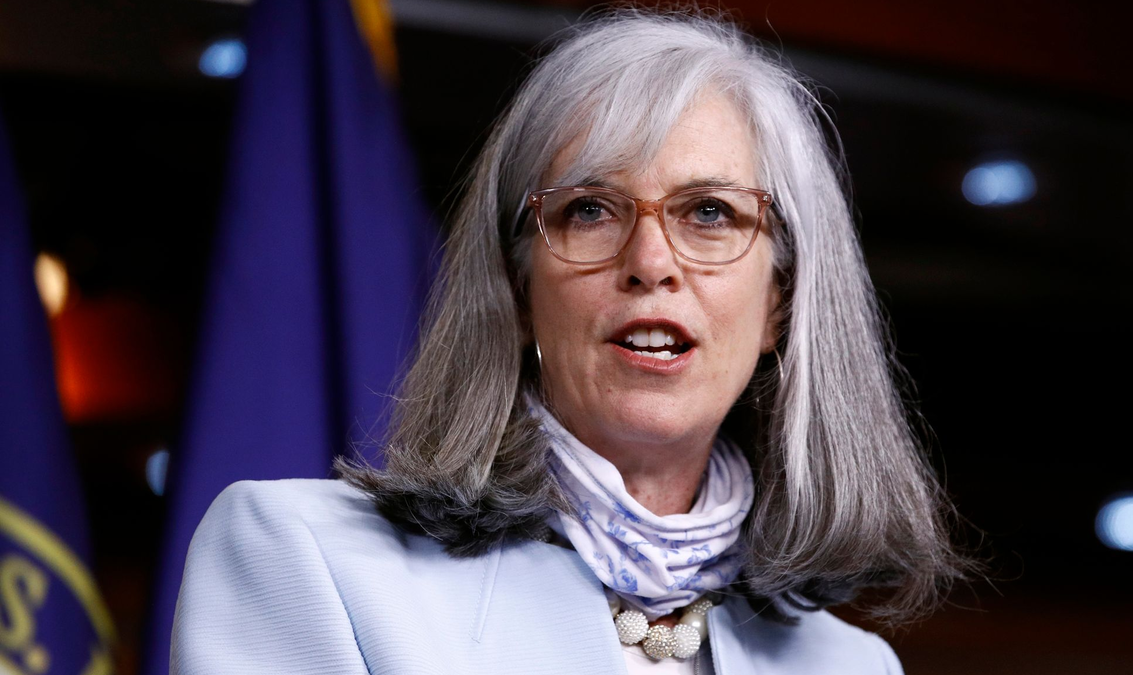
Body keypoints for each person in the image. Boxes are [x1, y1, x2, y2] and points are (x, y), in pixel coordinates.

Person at [170, 9, 967, 674]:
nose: (650, 261)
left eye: (710, 213)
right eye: (589, 209)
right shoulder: (305, 561)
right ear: (518, 291)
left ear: (780, 303)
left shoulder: (852, 664)